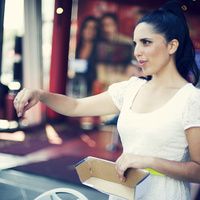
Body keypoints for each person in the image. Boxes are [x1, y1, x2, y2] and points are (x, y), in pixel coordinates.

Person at [13, 0, 200, 199]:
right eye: (135, 43)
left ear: (172, 46)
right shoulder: (131, 88)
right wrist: (41, 94)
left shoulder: (190, 100)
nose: (137, 51)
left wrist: (148, 161)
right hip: (123, 194)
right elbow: (76, 106)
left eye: (146, 42)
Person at [75, 16, 100, 95]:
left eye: (94, 28)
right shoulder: (75, 47)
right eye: (88, 27)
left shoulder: (100, 49)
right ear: (82, 29)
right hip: (75, 88)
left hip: (93, 92)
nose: (90, 31)